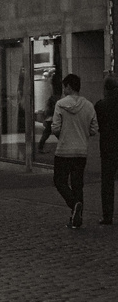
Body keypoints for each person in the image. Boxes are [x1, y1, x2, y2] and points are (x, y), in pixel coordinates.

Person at [51, 72, 98, 228]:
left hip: (63, 151)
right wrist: (83, 132)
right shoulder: (89, 105)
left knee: (59, 181)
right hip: (81, 151)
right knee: (78, 184)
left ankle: (74, 204)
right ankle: (77, 219)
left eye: (64, 87)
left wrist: (62, 134)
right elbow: (94, 129)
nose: (63, 89)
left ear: (69, 87)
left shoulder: (60, 104)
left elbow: (55, 128)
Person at [94, 73, 118, 225]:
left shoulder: (101, 105)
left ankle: (107, 215)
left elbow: (98, 127)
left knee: (107, 183)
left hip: (108, 148)